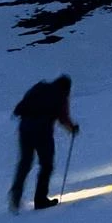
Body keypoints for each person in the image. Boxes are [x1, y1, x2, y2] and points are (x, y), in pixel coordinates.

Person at [10, 74, 78, 210]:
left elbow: (22, 104)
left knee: (25, 162)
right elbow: (63, 117)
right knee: (46, 165)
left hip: (25, 128)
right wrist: (72, 128)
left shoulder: (39, 87)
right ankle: (40, 200)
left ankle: (16, 195)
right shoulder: (60, 95)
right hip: (42, 131)